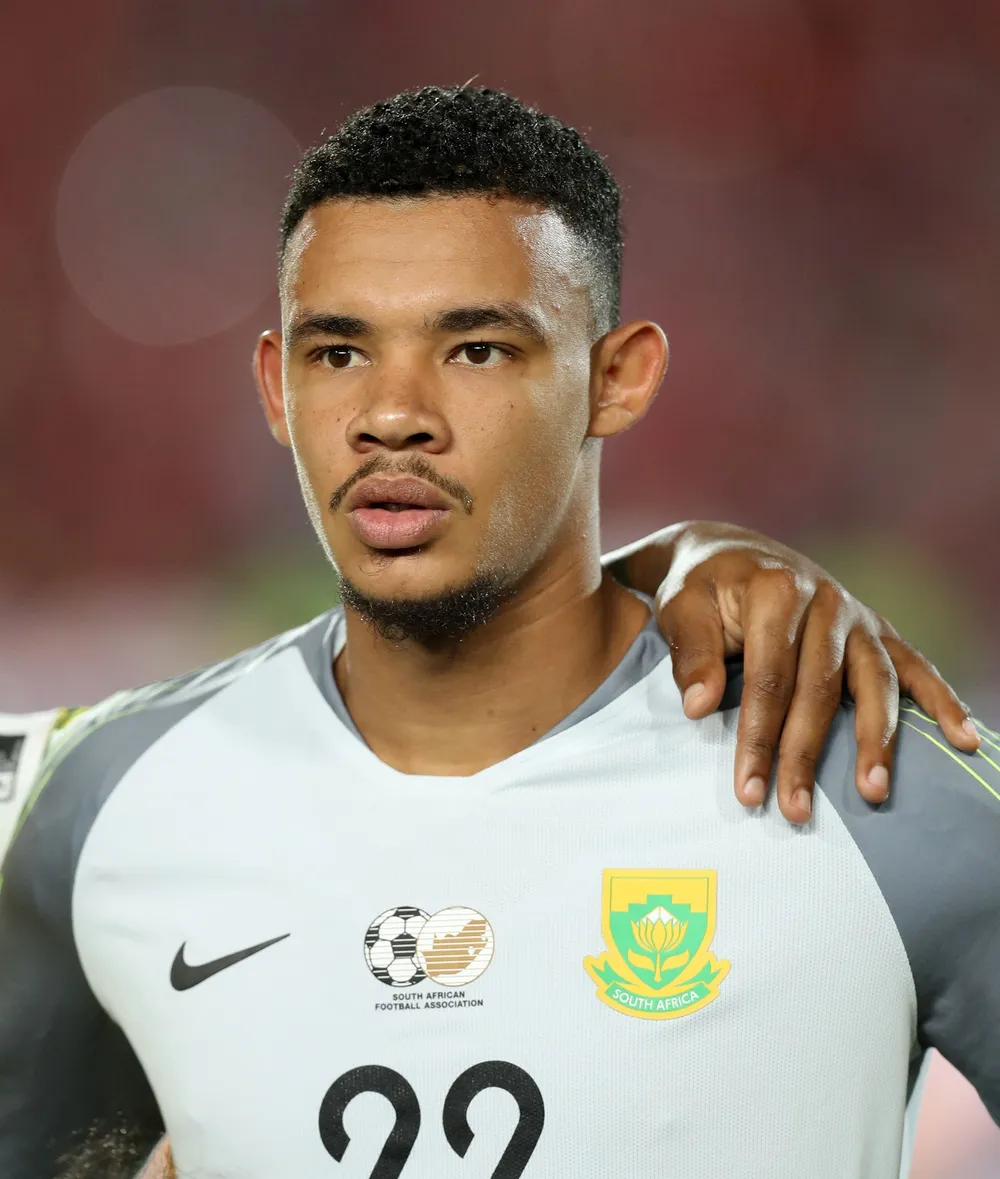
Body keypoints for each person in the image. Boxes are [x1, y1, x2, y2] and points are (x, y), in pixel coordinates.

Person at [0, 86, 995, 1179]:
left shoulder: (867, 782)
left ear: (617, 379)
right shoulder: (89, 809)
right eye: (339, 354)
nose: (392, 416)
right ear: (277, 389)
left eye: (476, 349)